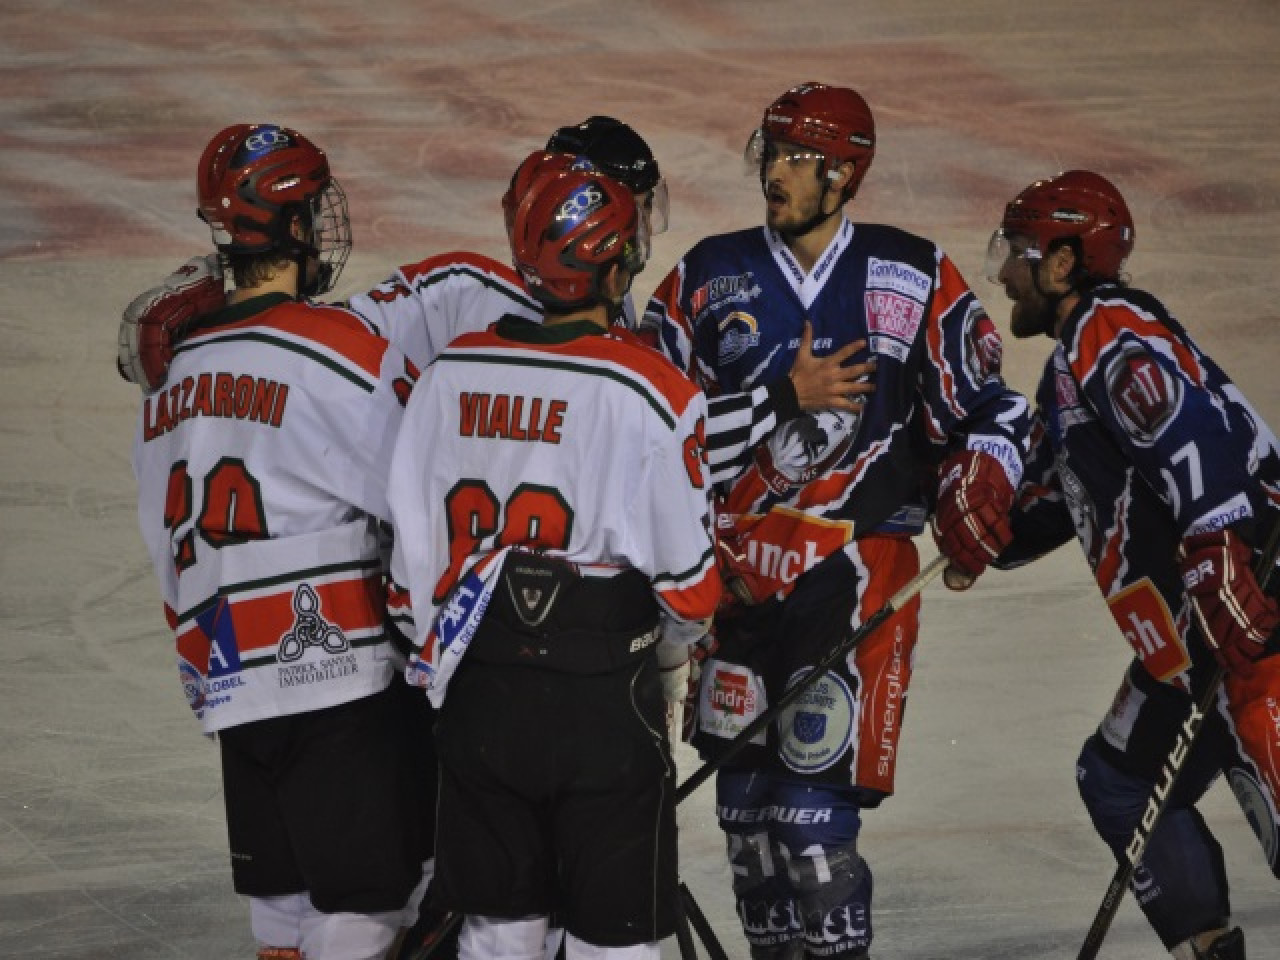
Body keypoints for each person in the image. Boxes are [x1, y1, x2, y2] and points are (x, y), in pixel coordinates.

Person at [640, 82, 1031, 959]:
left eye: (794, 159)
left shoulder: (914, 273)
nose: (772, 174)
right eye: (769, 154)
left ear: (845, 174)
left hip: (855, 582)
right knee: (747, 830)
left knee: (811, 830)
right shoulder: (705, 277)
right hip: (733, 585)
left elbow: (996, 412)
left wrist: (982, 484)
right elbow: (646, 422)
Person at [385, 163, 722, 960]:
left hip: (479, 703)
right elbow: (692, 591)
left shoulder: (446, 374)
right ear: (614, 262)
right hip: (602, 707)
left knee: (498, 939)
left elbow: (407, 589)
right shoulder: (653, 389)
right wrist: (668, 669)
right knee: (614, 942)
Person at [129, 123, 426, 959]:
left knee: (282, 903)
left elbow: (161, 534)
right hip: (332, 670)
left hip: (227, 671)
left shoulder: (171, 374)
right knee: (367, 901)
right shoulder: (340, 348)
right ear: (296, 226)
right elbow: (417, 505)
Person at [986, 169, 1280, 960]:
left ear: (1062, 262)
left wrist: (1220, 553)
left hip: (1254, 617)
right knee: (1117, 782)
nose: (1004, 272)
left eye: (1017, 251)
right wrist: (965, 509)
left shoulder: (1109, 331)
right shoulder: (1065, 378)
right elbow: (1038, 513)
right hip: (1190, 652)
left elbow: (1192, 436)